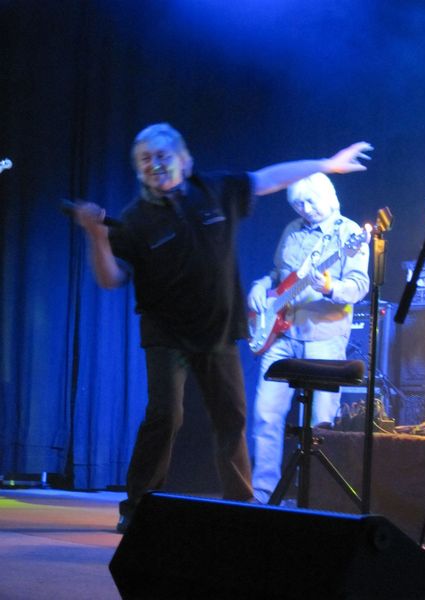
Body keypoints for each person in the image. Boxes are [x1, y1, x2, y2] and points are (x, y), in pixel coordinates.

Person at [72, 122, 372, 532]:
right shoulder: (135, 219)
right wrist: (96, 236)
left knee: (232, 418)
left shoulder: (215, 190)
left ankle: (241, 504)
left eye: (162, 156)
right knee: (165, 416)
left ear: (184, 160)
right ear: (138, 169)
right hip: (166, 335)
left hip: (219, 330)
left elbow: (267, 179)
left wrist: (326, 164)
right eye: (145, 159)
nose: (155, 164)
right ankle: (138, 506)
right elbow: (111, 279)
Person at [248, 172, 370, 504]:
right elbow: (278, 275)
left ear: (328, 196)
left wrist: (329, 287)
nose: (304, 209)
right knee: (265, 415)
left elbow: (359, 285)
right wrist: (261, 286)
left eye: (309, 202)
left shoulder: (350, 234)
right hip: (282, 336)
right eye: (297, 204)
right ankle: (263, 495)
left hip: (324, 338)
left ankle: (313, 499)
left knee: (320, 426)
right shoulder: (291, 230)